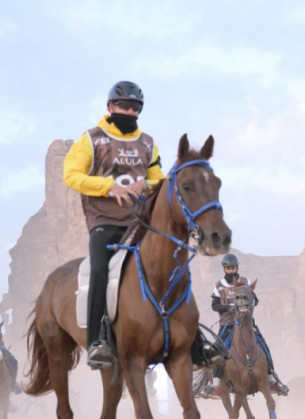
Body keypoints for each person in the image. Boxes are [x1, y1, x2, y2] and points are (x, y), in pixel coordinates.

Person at [63, 81, 223, 370]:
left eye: (135, 107)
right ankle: (98, 340)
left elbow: (158, 178)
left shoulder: (148, 143)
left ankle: (195, 343)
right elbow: (71, 175)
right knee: (99, 270)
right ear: (110, 107)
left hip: (141, 221)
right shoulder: (91, 140)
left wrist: (144, 184)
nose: (130, 111)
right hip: (105, 221)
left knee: (174, 266)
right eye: (124, 106)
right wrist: (109, 187)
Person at [204, 253, 288, 397]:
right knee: (218, 350)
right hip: (228, 324)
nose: (231, 270)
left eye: (233, 267)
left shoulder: (245, 282)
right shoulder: (218, 286)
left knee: (264, 346)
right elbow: (214, 305)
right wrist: (229, 307)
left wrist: (247, 304)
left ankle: (271, 380)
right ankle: (215, 384)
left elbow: (255, 300)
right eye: (228, 268)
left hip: (246, 323)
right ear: (224, 269)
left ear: (237, 267)